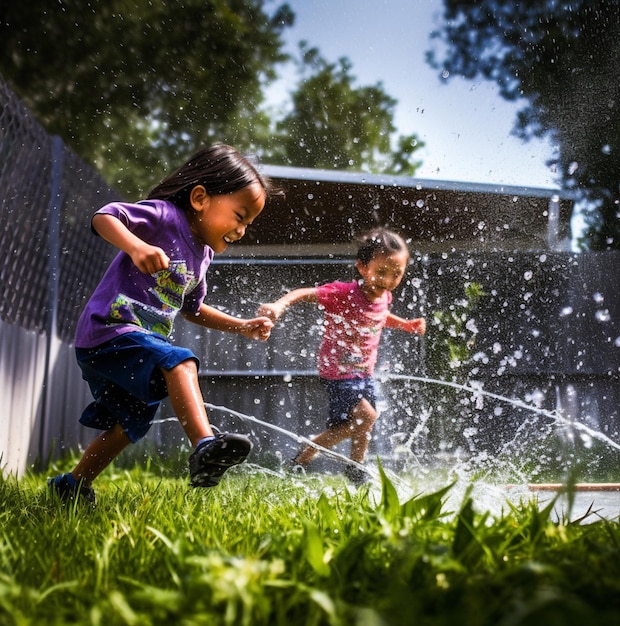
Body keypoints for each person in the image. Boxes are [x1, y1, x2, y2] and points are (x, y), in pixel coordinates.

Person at [48, 144, 279, 504]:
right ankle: (205, 445)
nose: (242, 230)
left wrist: (242, 326)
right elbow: (104, 217)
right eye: (239, 215)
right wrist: (136, 246)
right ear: (201, 198)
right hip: (109, 330)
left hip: (135, 341)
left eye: (248, 223)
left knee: (130, 423)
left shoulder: (201, 257)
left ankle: (72, 486)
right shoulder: (164, 216)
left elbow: (193, 309)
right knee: (180, 360)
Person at [258, 227, 426, 485]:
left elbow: (378, 317)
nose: (388, 280)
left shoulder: (384, 296)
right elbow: (305, 293)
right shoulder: (343, 294)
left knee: (361, 424)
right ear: (362, 267)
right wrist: (279, 305)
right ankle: (310, 450)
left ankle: (352, 467)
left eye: (397, 274)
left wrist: (404, 325)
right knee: (366, 417)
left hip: (364, 372)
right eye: (381, 272)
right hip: (339, 372)